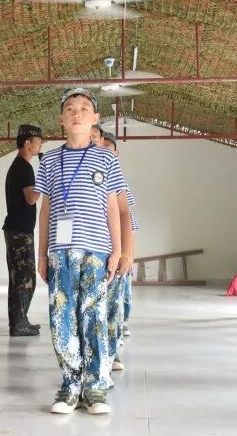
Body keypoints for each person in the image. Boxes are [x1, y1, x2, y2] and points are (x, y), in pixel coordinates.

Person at [36, 88, 125, 415]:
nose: (77, 113)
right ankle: (70, 386)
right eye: (70, 109)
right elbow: (45, 209)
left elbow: (113, 207)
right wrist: (41, 253)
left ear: (95, 119)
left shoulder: (107, 159)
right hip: (60, 252)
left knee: (95, 318)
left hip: (97, 251)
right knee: (62, 318)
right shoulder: (50, 160)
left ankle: (96, 388)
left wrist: (117, 251)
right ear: (61, 119)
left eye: (85, 108)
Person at [99, 131, 136, 372]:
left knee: (114, 305)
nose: (103, 150)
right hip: (94, 250)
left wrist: (126, 254)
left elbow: (127, 220)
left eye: (108, 148)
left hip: (114, 252)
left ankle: (111, 352)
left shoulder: (120, 183)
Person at [4, 124, 44, 336]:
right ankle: (19, 324)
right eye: (38, 142)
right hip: (19, 231)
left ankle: (20, 321)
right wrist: (45, 180)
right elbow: (30, 198)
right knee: (24, 278)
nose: (40, 145)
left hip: (18, 229)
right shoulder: (23, 167)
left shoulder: (20, 166)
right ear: (27, 143)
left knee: (19, 277)